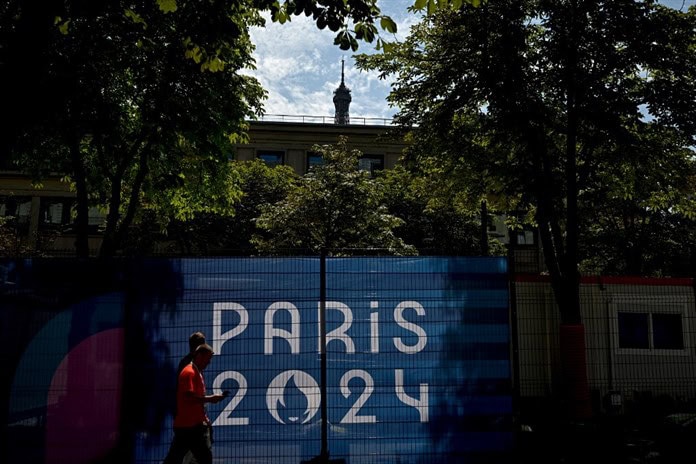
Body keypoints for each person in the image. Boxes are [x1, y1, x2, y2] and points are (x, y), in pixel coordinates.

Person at [163, 344, 225, 464]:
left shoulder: (197, 372)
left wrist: (204, 418)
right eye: (208, 359)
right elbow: (189, 397)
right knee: (204, 458)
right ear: (199, 356)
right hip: (189, 427)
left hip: (189, 426)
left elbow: (194, 400)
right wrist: (210, 399)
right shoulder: (189, 373)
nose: (209, 363)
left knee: (176, 459)